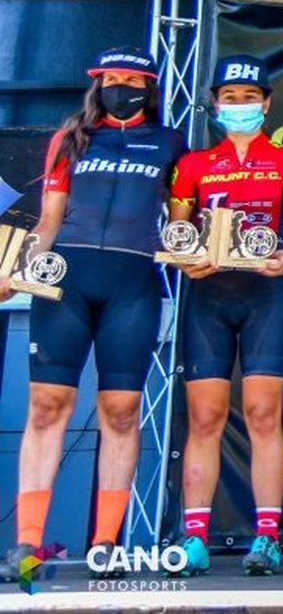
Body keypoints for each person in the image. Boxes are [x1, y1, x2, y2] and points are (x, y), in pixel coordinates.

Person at [0, 48, 184, 583]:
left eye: (131, 80)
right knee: (45, 406)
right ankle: (26, 545)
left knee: (122, 412)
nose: (120, 87)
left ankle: (106, 543)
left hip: (133, 284)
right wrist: (17, 269)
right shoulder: (70, 139)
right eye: (111, 78)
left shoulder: (171, 143)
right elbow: (49, 221)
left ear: (148, 87)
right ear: (97, 83)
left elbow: (182, 223)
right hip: (67, 281)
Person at [166, 55, 283, 577]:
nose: (240, 106)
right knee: (204, 418)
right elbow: (176, 235)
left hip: (265, 294)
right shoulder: (192, 164)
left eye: (249, 97)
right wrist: (186, 260)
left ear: (266, 103)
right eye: (230, 98)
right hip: (208, 297)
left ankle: (267, 537)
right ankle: (194, 538)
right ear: (215, 104)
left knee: (262, 415)